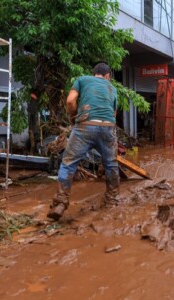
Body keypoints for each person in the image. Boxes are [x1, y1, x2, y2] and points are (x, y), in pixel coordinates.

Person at [47, 63, 120, 221]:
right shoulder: (112, 89)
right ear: (107, 76)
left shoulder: (82, 80)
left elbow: (70, 101)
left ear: (94, 73)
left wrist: (74, 116)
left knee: (68, 163)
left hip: (85, 125)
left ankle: (60, 203)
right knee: (111, 164)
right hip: (107, 127)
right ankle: (111, 202)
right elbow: (114, 114)